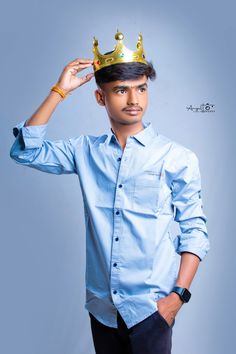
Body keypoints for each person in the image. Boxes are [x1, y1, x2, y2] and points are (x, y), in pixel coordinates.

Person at [9, 31, 210, 354]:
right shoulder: (85, 151)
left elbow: (195, 231)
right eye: (121, 91)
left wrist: (177, 299)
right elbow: (24, 151)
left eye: (141, 89)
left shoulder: (177, 157)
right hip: (102, 310)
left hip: (150, 310)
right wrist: (59, 91)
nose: (134, 100)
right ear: (101, 98)